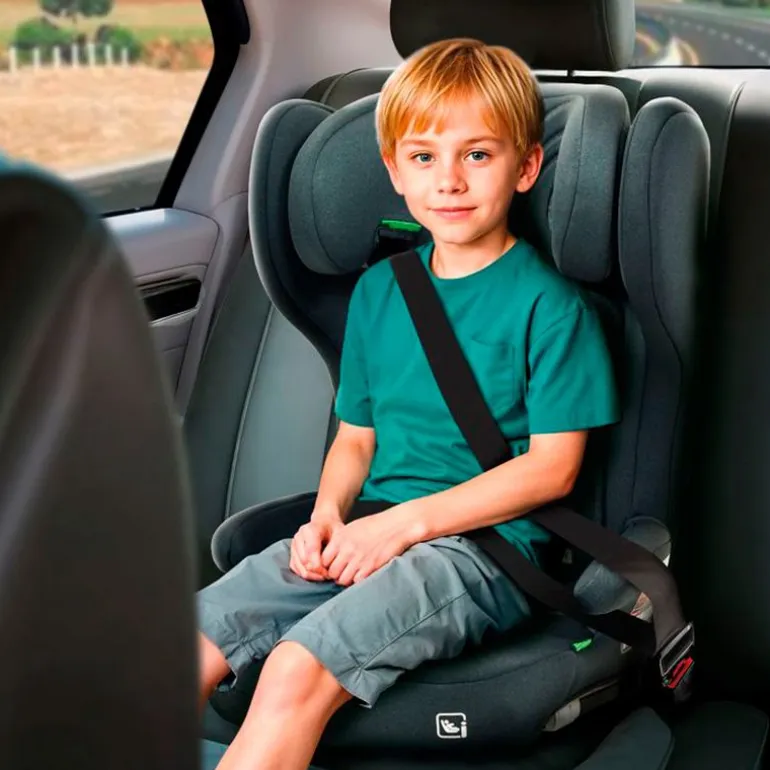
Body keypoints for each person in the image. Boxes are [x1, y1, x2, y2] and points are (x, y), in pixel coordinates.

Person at [197, 37, 620, 770]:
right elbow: (356, 438)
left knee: (295, 669)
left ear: (526, 168)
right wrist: (326, 516)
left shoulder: (553, 309)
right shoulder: (381, 292)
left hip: (482, 552)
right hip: (369, 528)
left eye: (477, 155)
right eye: (424, 157)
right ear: (394, 171)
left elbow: (552, 470)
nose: (448, 181)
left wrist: (403, 526)